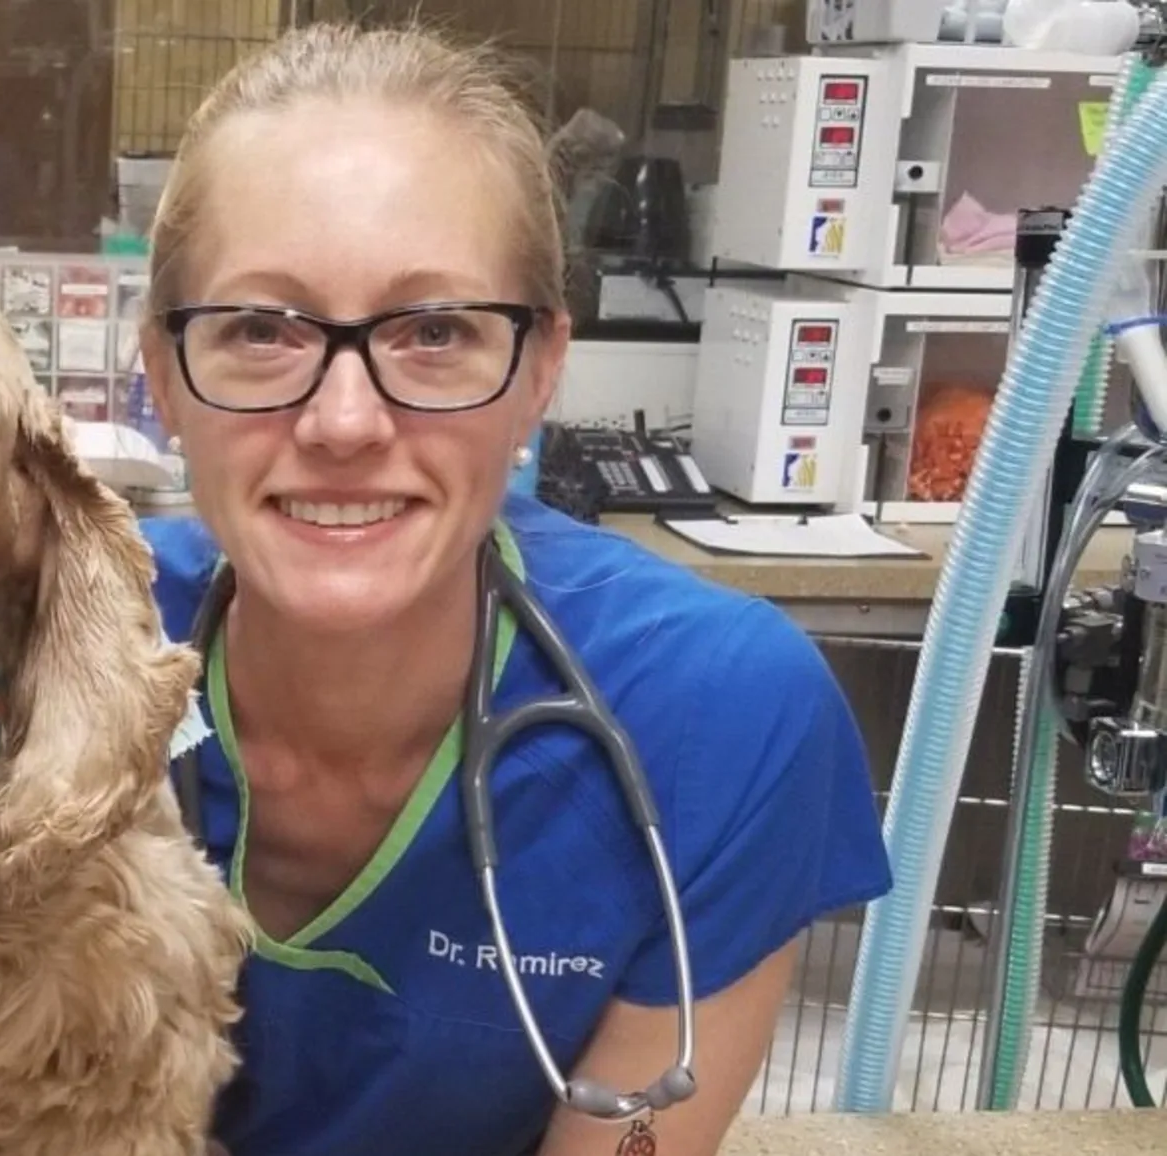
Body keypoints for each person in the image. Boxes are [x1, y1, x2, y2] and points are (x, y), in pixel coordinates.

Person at [132, 22, 896, 1156]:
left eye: (435, 331)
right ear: (163, 374)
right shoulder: (36, 658)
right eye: (259, 329)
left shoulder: (713, 717)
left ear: (541, 370)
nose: (344, 422)